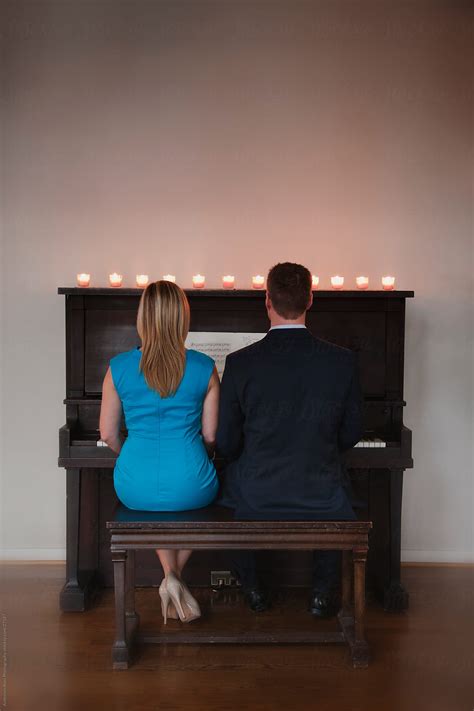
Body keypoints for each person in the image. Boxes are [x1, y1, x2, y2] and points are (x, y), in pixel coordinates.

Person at [216, 262, 363, 617]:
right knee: (337, 481)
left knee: (231, 481)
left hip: (258, 493)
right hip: (319, 490)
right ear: (310, 299)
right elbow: (352, 434)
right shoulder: (343, 362)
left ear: (267, 300)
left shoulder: (240, 363)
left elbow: (226, 443)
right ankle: (322, 593)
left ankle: (252, 588)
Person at [99, 280, 220, 624]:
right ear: (182, 319)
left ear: (143, 318)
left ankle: (171, 578)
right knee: (189, 495)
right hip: (191, 482)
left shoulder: (118, 367)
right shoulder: (204, 366)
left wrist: (128, 455)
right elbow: (211, 435)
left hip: (134, 483)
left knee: (154, 498)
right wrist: (200, 454)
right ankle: (174, 577)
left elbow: (107, 434)